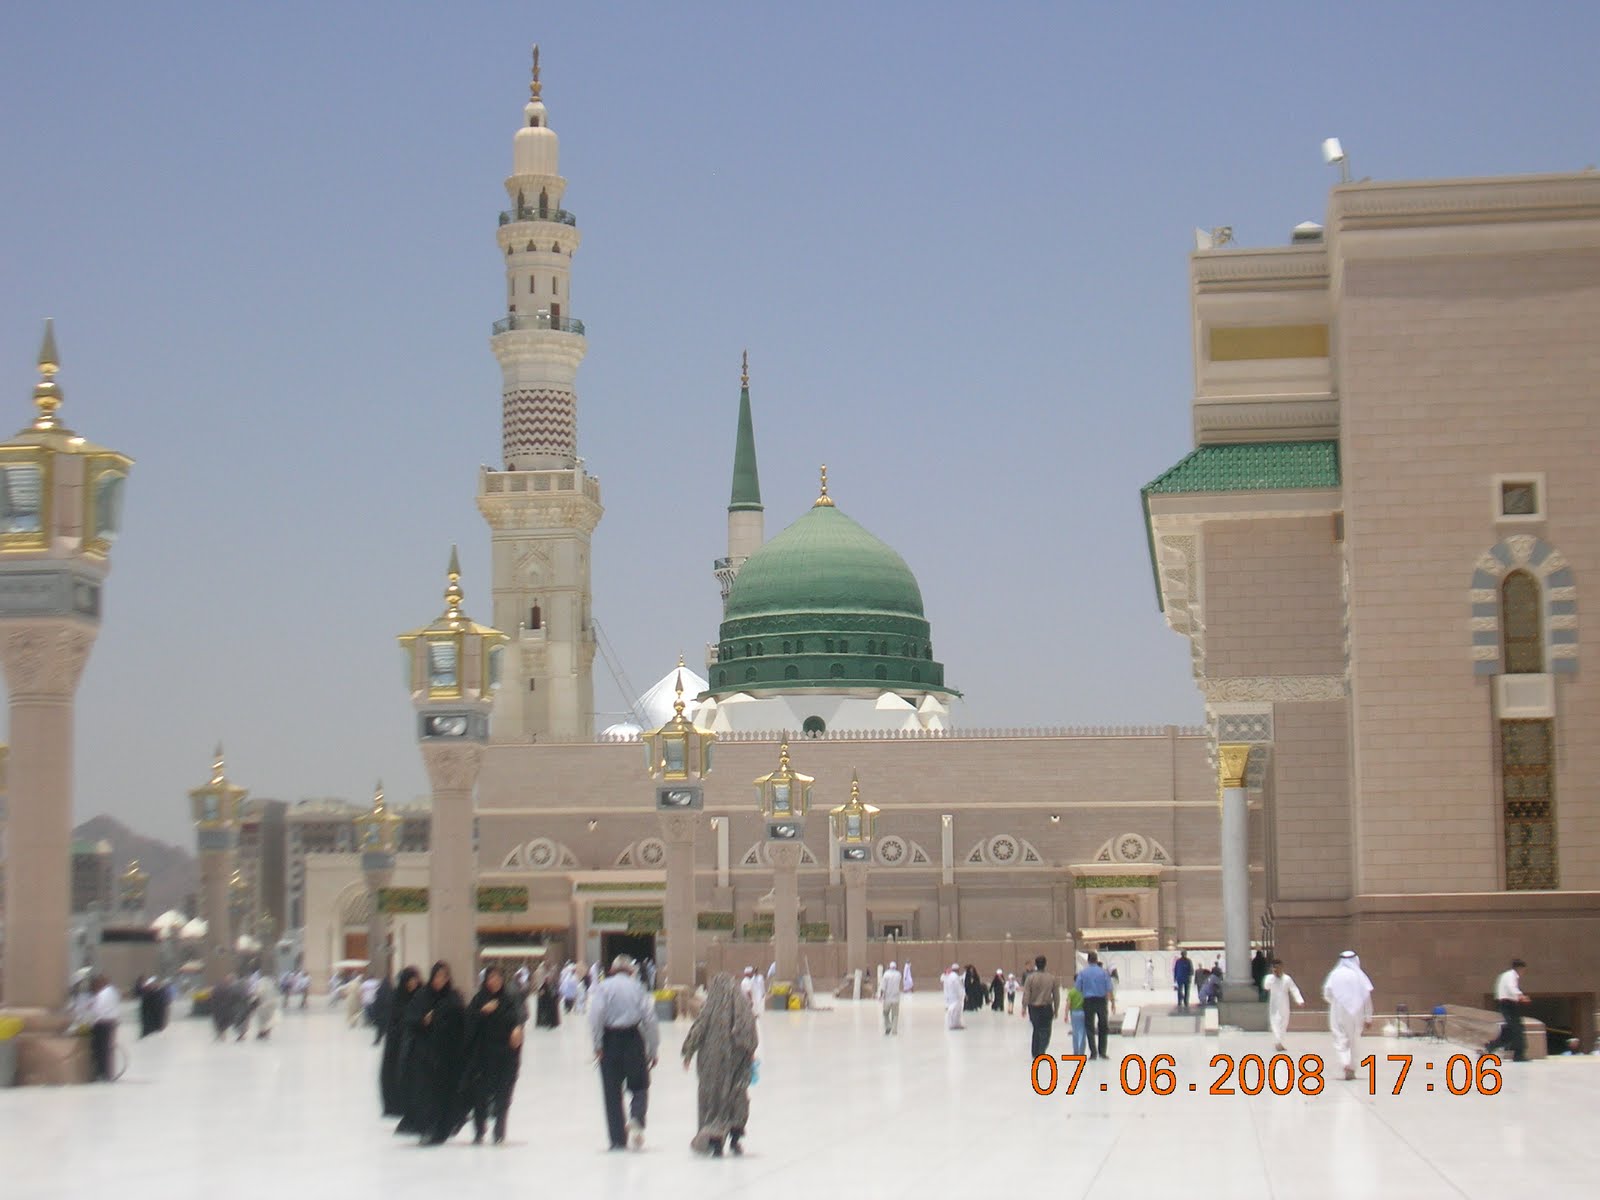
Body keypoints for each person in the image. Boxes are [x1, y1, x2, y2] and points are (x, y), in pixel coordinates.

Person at [681, 972, 759, 1157]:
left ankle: (715, 1140)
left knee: (715, 1100)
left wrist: (688, 1053)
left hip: (712, 1066)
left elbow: (698, 1029)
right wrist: (749, 1050)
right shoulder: (741, 1006)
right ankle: (735, 1137)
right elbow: (748, 1029)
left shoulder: (710, 1008)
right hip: (736, 1063)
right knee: (735, 1097)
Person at [589, 955, 660, 1151]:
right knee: (639, 1084)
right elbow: (650, 1019)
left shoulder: (603, 987)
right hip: (632, 1039)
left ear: (612, 971)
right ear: (631, 971)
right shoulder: (637, 987)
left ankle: (617, 1139)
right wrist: (653, 1049)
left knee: (611, 1092)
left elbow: (595, 1016)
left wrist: (597, 1045)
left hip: (610, 1041)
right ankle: (636, 1117)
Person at [406, 961, 469, 1145]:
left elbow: (461, 1023)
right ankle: (428, 1128)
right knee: (426, 1094)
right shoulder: (422, 996)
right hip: (425, 1056)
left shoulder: (453, 998)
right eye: (438, 976)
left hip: (448, 1056)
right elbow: (410, 1020)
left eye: (444, 976)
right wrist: (422, 1021)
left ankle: (442, 1128)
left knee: (446, 1093)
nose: (441, 980)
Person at [465, 965, 526, 1144]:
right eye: (491, 978)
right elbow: (468, 1021)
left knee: (503, 1094)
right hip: (483, 1057)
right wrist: (483, 1012)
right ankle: (479, 1130)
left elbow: (519, 1019)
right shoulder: (479, 1000)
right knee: (480, 1095)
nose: (494, 981)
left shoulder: (509, 1000)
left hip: (506, 1056)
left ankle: (499, 1131)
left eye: (498, 978)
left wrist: (517, 1028)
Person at [1321, 950, 1374, 1081]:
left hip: (1338, 1010)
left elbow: (1327, 993)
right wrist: (1368, 1017)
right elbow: (1366, 997)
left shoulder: (1334, 974)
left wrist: (1336, 1001)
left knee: (1340, 1037)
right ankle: (1351, 1068)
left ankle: (1345, 1062)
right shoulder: (1359, 976)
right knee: (1354, 1039)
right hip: (1357, 1012)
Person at [382, 966, 422, 1120]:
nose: (413, 983)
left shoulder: (421, 996)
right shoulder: (396, 998)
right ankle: (395, 1105)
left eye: (415, 979)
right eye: (410, 980)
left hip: (415, 1044)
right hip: (396, 1044)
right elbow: (392, 1020)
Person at [1484, 958, 1530, 1063]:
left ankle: (1491, 1046)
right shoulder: (1511, 975)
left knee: (1511, 1030)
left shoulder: (1505, 975)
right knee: (1517, 1029)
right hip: (1508, 1005)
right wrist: (1521, 996)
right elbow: (1511, 987)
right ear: (1520, 968)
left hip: (1507, 1004)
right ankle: (1519, 1055)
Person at [1076, 953, 1113, 1061]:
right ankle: (1103, 1052)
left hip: (1088, 1001)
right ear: (1096, 960)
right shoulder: (1103, 972)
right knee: (1103, 1025)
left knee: (1089, 1026)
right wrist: (1112, 1001)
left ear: (1088, 961)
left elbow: (1078, 987)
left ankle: (1093, 1052)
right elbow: (1109, 988)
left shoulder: (1083, 973)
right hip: (1101, 1001)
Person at [1262, 959, 1304, 1052]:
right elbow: (1266, 987)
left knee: (1284, 1022)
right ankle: (1278, 1042)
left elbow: (1294, 989)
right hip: (1274, 1004)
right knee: (1275, 1021)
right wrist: (1273, 977)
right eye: (1274, 967)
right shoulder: (1269, 978)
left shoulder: (1287, 978)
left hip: (1284, 1003)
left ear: (1282, 967)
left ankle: (1279, 1042)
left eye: (1278, 967)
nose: (1277, 969)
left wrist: (1299, 1000)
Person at [1020, 955, 1058, 1056]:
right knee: (1046, 1030)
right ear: (1045, 964)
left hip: (1033, 1008)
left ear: (1036, 965)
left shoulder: (1030, 978)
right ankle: (1041, 1051)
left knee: (1036, 1029)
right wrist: (1056, 1009)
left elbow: (1026, 993)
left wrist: (1024, 1007)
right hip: (1046, 1007)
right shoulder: (1051, 978)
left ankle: (1035, 1051)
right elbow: (1056, 995)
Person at [88, 974, 120, 1082]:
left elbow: (97, 1009)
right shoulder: (113, 991)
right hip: (111, 1023)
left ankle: (102, 1073)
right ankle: (108, 1073)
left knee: (101, 1050)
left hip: (102, 1024)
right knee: (107, 1050)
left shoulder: (102, 994)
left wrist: (90, 1007)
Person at [252, 971, 280, 1040]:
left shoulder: (261, 984)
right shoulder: (271, 986)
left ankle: (263, 1032)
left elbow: (257, 994)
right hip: (267, 1006)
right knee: (268, 1021)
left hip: (264, 1007)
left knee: (264, 1021)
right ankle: (265, 1032)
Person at [880, 961, 903, 1036]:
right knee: (895, 1015)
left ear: (889, 967)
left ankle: (888, 1026)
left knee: (885, 1013)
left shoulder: (886, 975)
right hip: (896, 998)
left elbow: (883, 987)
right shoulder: (899, 974)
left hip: (888, 998)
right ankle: (894, 1030)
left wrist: (881, 996)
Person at [1064, 981, 1087, 1056]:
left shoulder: (1072, 991)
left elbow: (1068, 1004)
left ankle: (1076, 1051)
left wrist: (1066, 1015)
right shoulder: (1085, 991)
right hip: (1084, 1012)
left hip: (1074, 1013)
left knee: (1075, 1032)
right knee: (1083, 1032)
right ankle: (1081, 1051)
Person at [942, 963, 965, 1030]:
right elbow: (958, 987)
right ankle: (952, 1024)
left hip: (953, 996)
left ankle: (957, 1024)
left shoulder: (951, 976)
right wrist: (962, 994)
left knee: (957, 1011)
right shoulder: (954, 977)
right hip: (956, 996)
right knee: (954, 1010)